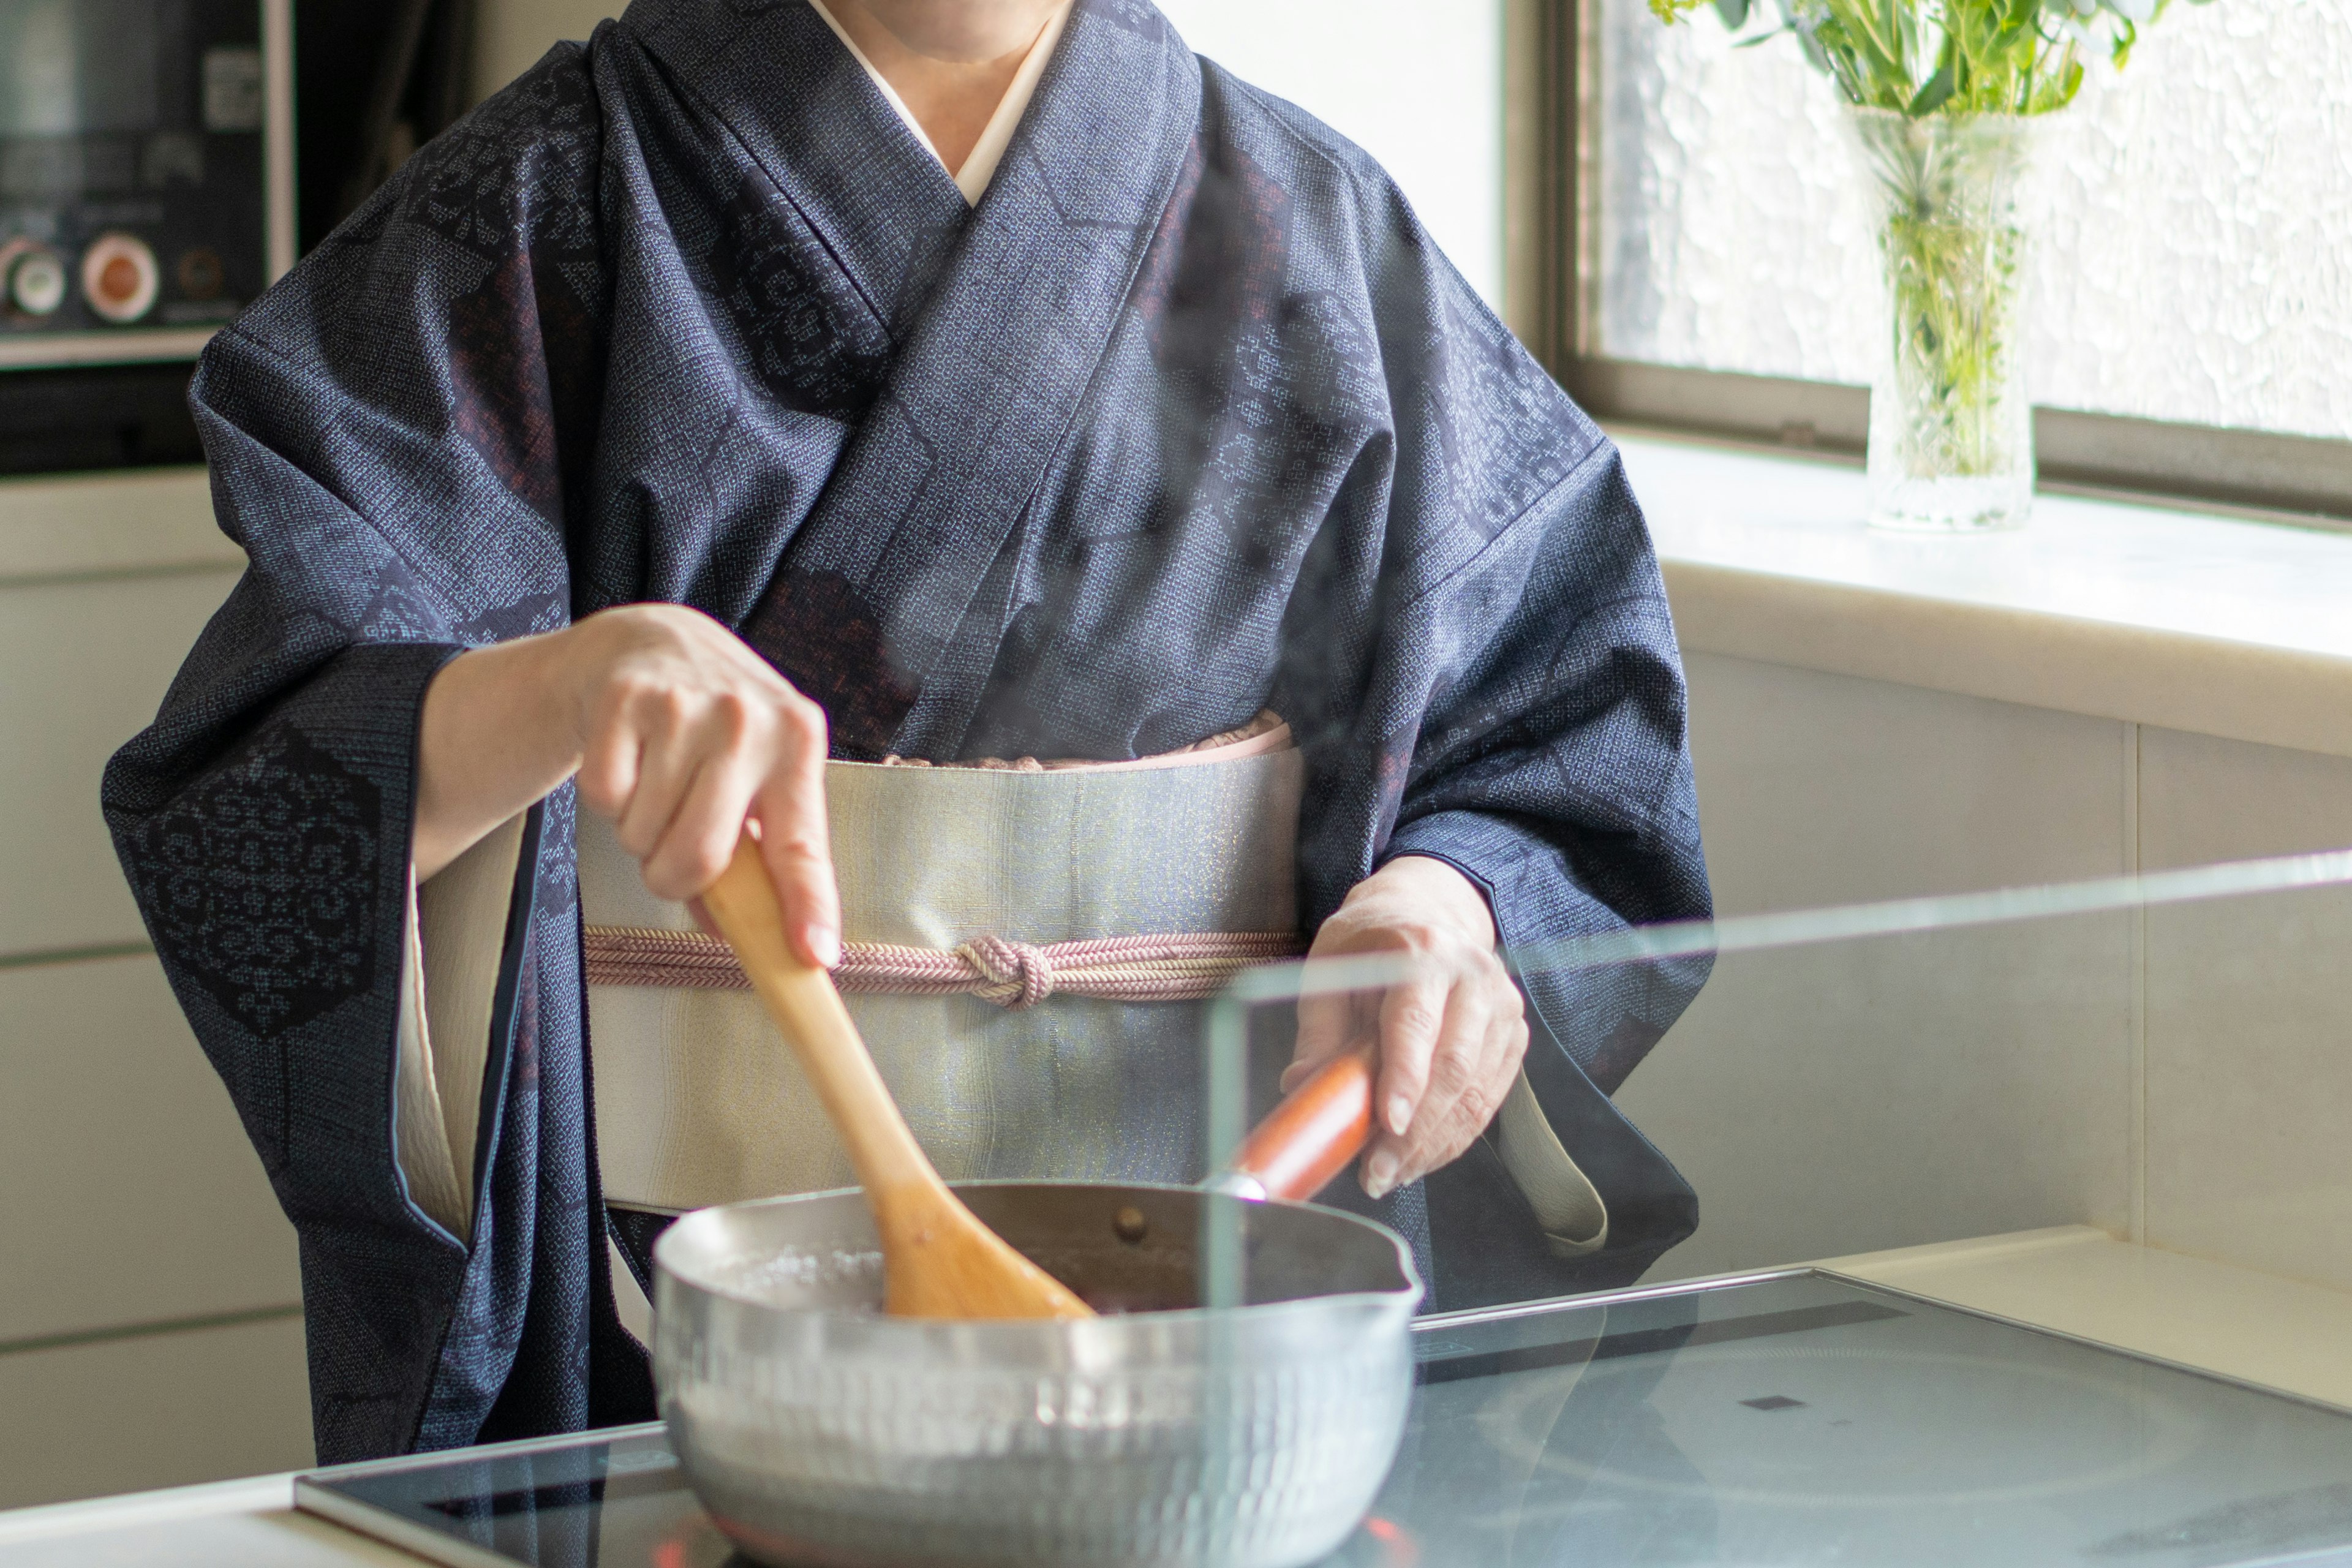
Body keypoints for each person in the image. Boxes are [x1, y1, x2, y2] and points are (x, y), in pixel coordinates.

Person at [104, 0, 1712, 1464]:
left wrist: (1444, 905)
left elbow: (1555, 713)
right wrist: (563, 687)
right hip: (675, 1338)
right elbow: (268, 765)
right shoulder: (546, 203)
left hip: (1215, 1309)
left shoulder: (1318, 229)